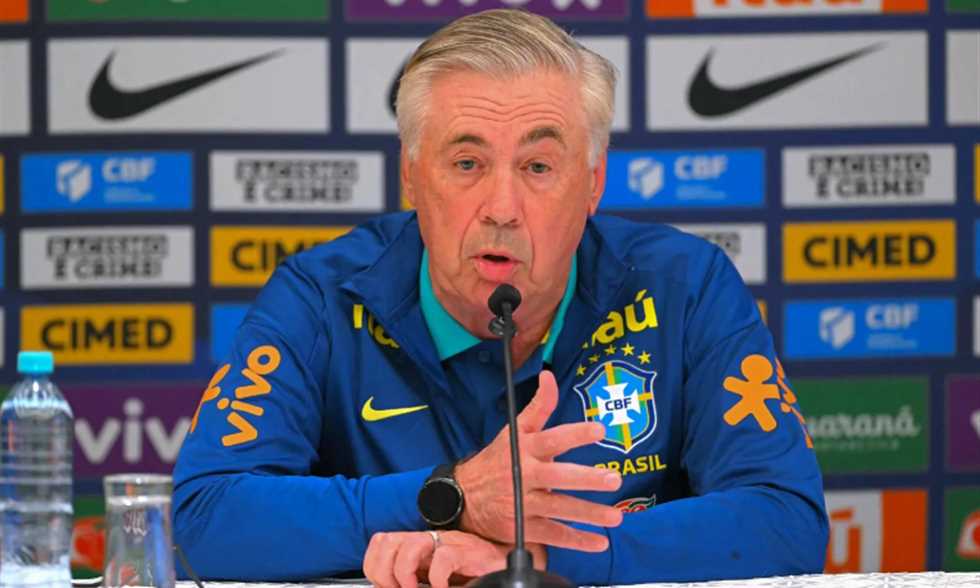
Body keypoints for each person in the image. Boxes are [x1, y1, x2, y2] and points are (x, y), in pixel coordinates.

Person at [173, 8, 828, 587]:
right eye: (467, 164)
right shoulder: (320, 297)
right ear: (411, 176)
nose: (502, 208)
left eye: (538, 167)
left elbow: (785, 517)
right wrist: (448, 496)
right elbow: (206, 517)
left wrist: (539, 557)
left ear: (593, 183)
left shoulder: (685, 286)